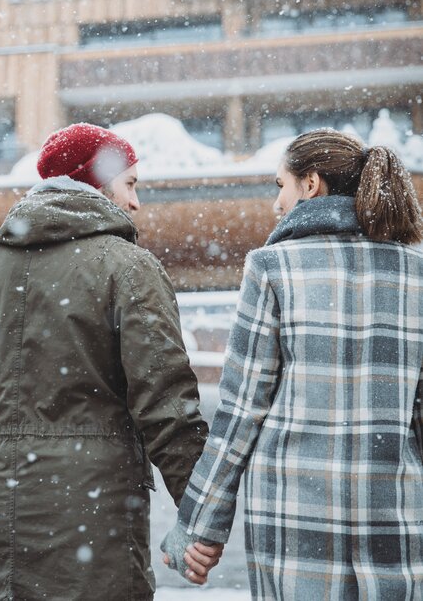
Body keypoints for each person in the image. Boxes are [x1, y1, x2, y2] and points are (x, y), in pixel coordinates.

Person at [0, 122, 208, 601]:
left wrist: (4, 456)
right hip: (100, 530)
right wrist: (202, 511)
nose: (136, 203)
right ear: (94, 180)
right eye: (130, 183)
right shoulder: (129, 267)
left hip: (5, 527)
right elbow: (166, 405)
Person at [162, 128, 423, 598]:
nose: (275, 203)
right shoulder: (416, 273)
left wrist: (199, 526)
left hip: (294, 519)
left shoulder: (273, 267)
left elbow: (242, 413)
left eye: (280, 185)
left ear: (311, 184)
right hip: (394, 516)